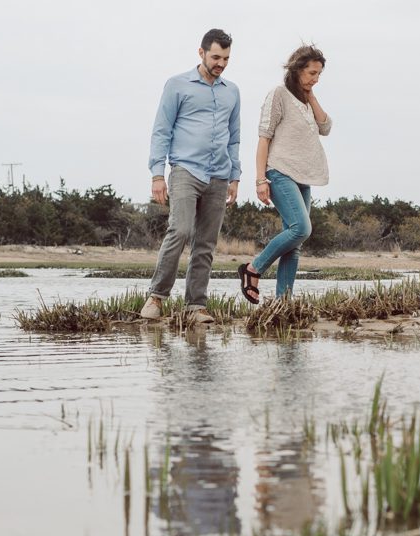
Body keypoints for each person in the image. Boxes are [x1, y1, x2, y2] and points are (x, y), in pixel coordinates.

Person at [140, 28, 242, 323]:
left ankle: (196, 306)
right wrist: (157, 174)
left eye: (226, 58)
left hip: (219, 175)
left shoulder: (232, 91)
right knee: (180, 230)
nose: (220, 63)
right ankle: (156, 298)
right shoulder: (177, 85)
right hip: (185, 170)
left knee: (206, 243)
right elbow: (162, 130)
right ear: (201, 53)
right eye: (215, 56)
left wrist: (235, 175)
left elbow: (234, 137)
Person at [238, 45, 331, 304]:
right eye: (311, 73)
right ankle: (253, 269)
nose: (315, 79)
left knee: (295, 241)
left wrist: (310, 96)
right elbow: (264, 137)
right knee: (301, 228)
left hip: (303, 177)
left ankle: (283, 303)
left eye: (319, 74)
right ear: (297, 69)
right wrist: (260, 179)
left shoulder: (306, 102)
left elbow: (326, 126)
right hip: (278, 172)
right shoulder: (279, 94)